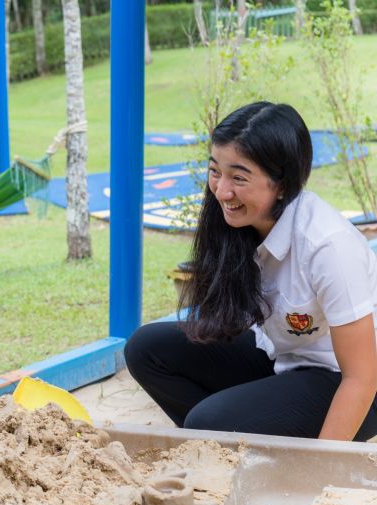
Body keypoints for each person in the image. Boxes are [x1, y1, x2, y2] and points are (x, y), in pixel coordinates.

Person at [125, 101, 377, 442]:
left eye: (239, 177)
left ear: (282, 184)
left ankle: (231, 443)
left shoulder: (328, 247)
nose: (222, 191)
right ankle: (233, 446)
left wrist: (319, 465)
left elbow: (361, 378)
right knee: (146, 348)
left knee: (208, 421)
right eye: (215, 171)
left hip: (348, 382)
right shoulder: (240, 224)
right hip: (282, 353)